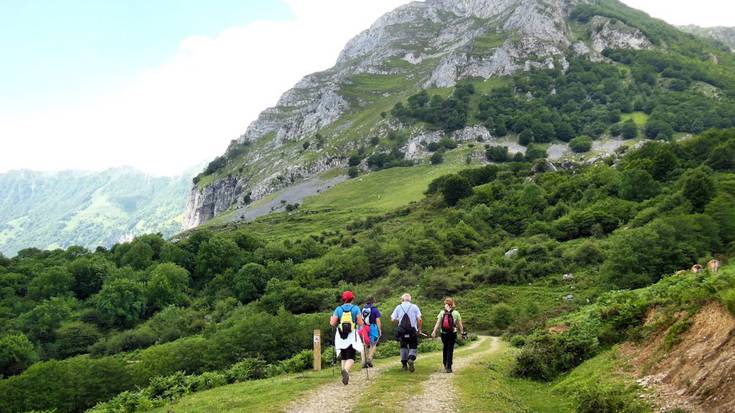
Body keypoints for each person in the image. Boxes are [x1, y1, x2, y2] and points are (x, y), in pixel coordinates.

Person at [330, 290, 364, 385]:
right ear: (352, 298)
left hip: (340, 335)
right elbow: (360, 323)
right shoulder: (355, 308)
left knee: (344, 356)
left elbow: (333, 323)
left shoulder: (338, 309)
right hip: (351, 335)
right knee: (351, 357)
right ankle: (345, 370)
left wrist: (330, 320)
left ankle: (344, 373)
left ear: (343, 299)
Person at [431, 297, 466, 373]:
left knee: (445, 347)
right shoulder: (456, 313)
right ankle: (449, 366)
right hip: (452, 333)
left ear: (446, 304)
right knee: (450, 349)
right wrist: (462, 332)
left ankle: (445, 363)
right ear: (452, 304)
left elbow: (438, 323)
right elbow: (460, 325)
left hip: (443, 333)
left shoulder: (441, 312)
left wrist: (434, 331)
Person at [390, 293, 422, 372]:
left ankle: (404, 365)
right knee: (413, 346)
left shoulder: (398, 307)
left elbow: (392, 319)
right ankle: (411, 359)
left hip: (402, 331)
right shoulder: (414, 307)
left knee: (403, 346)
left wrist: (400, 320)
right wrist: (419, 329)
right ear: (410, 299)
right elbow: (419, 319)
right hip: (412, 330)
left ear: (402, 299)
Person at [359, 296, 382, 368]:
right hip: (373, 327)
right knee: (373, 344)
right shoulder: (375, 309)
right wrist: (380, 329)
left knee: (364, 344)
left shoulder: (362, 309)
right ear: (373, 301)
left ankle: (363, 362)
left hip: (363, 327)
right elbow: (378, 320)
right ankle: (369, 358)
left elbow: (359, 319)